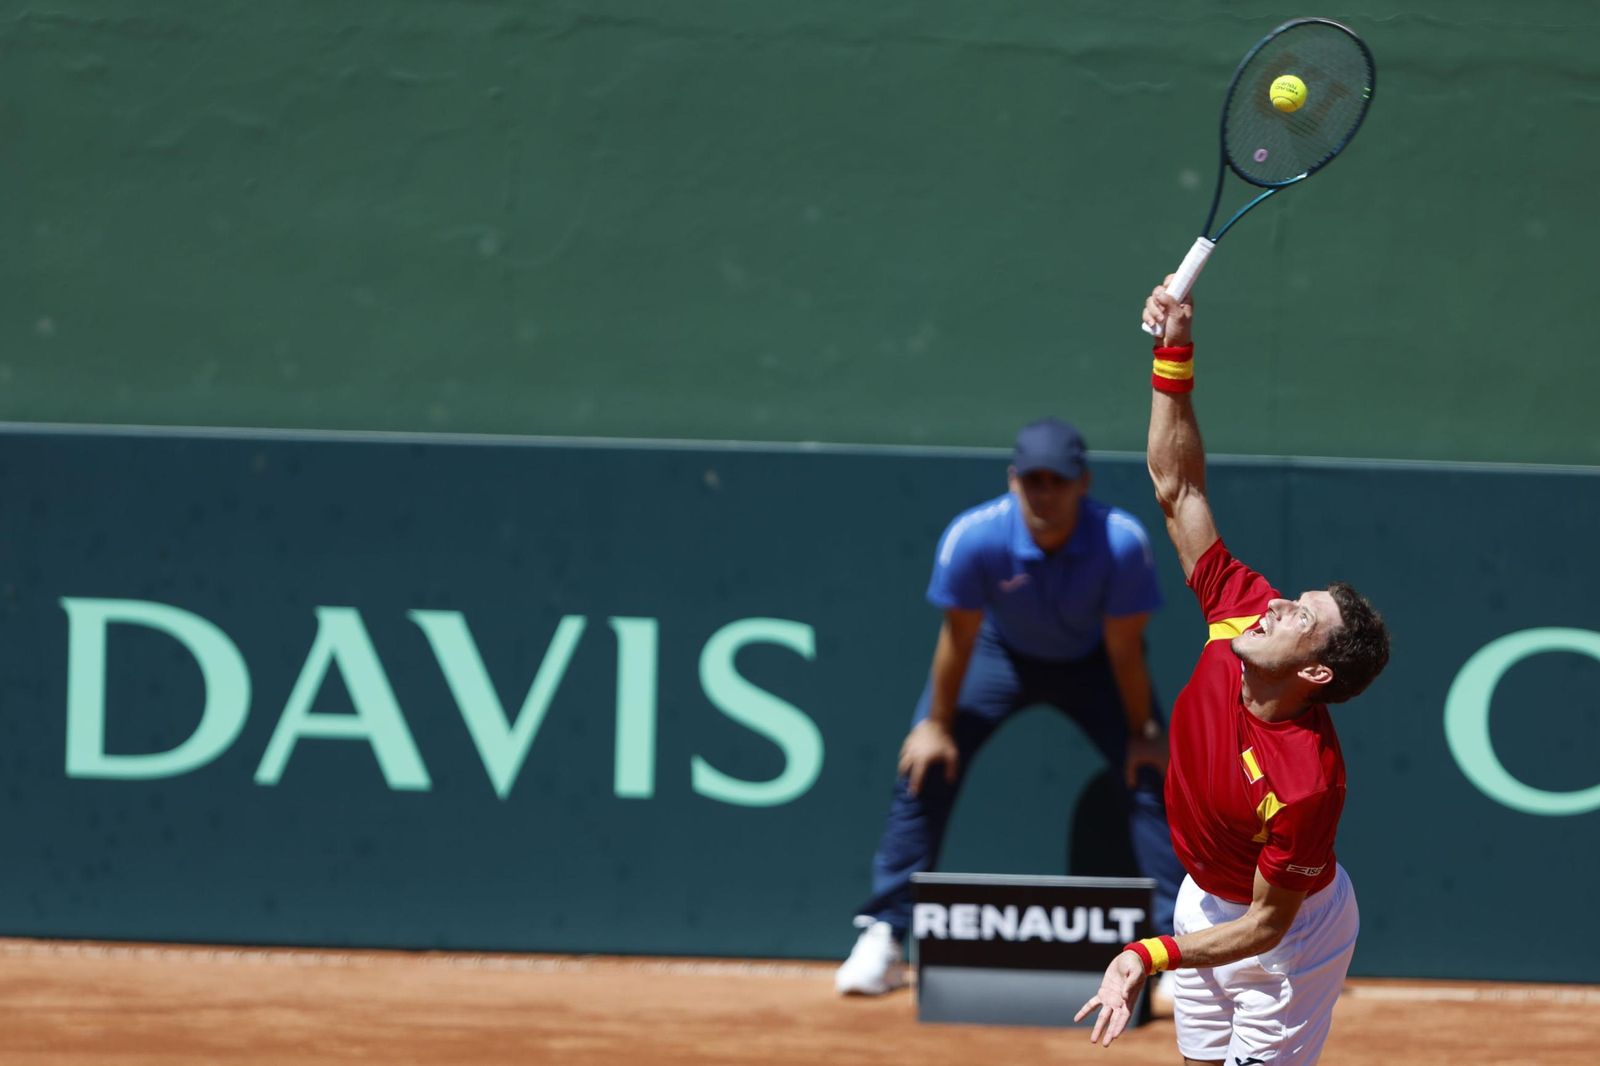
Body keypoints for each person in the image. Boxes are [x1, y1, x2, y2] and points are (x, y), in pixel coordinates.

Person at [1073, 283, 1391, 1063]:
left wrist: (1142, 957)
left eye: (1302, 618)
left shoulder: (1305, 781)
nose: (1280, 604)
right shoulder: (1240, 612)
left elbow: (1265, 927)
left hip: (1288, 942)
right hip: (1204, 897)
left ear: (1315, 675)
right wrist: (1172, 353)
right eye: (1292, 598)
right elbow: (1177, 489)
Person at [835, 416, 1186, 997]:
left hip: (1096, 662)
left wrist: (1144, 729)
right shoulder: (975, 537)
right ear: (1013, 481)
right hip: (998, 656)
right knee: (924, 763)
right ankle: (884, 932)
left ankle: (1172, 951)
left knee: (1152, 772)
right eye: (1032, 480)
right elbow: (958, 638)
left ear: (1083, 484)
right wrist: (938, 723)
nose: (1044, 492)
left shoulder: (1121, 543)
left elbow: (1126, 647)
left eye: (1057, 480)